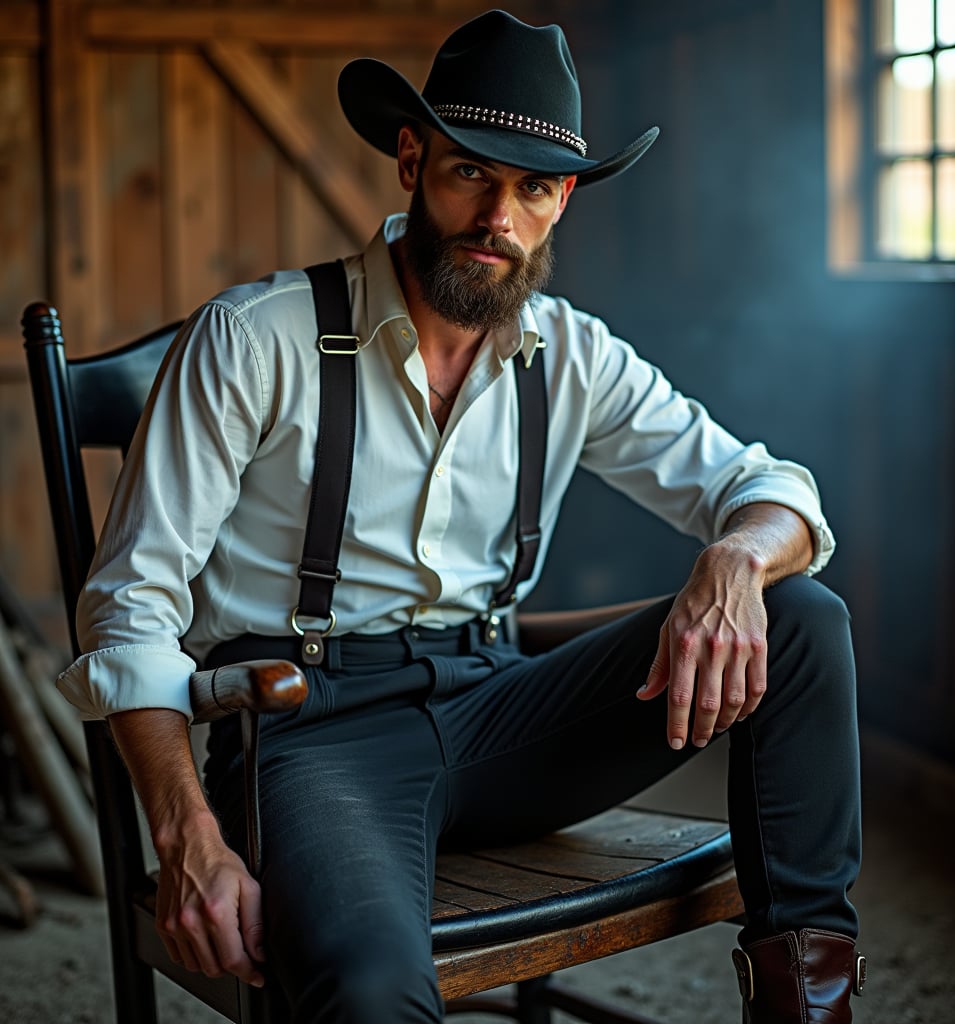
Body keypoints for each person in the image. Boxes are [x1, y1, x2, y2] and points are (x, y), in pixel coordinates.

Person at [58, 9, 864, 1023]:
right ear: (411, 158)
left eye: (533, 187)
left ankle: (810, 1003)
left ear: (562, 198)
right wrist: (188, 835)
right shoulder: (252, 339)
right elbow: (130, 608)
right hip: (311, 733)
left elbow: (772, 487)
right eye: (471, 171)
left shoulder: (572, 355)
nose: (499, 217)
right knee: (365, 988)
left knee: (802, 620)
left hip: (499, 710)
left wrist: (736, 562)